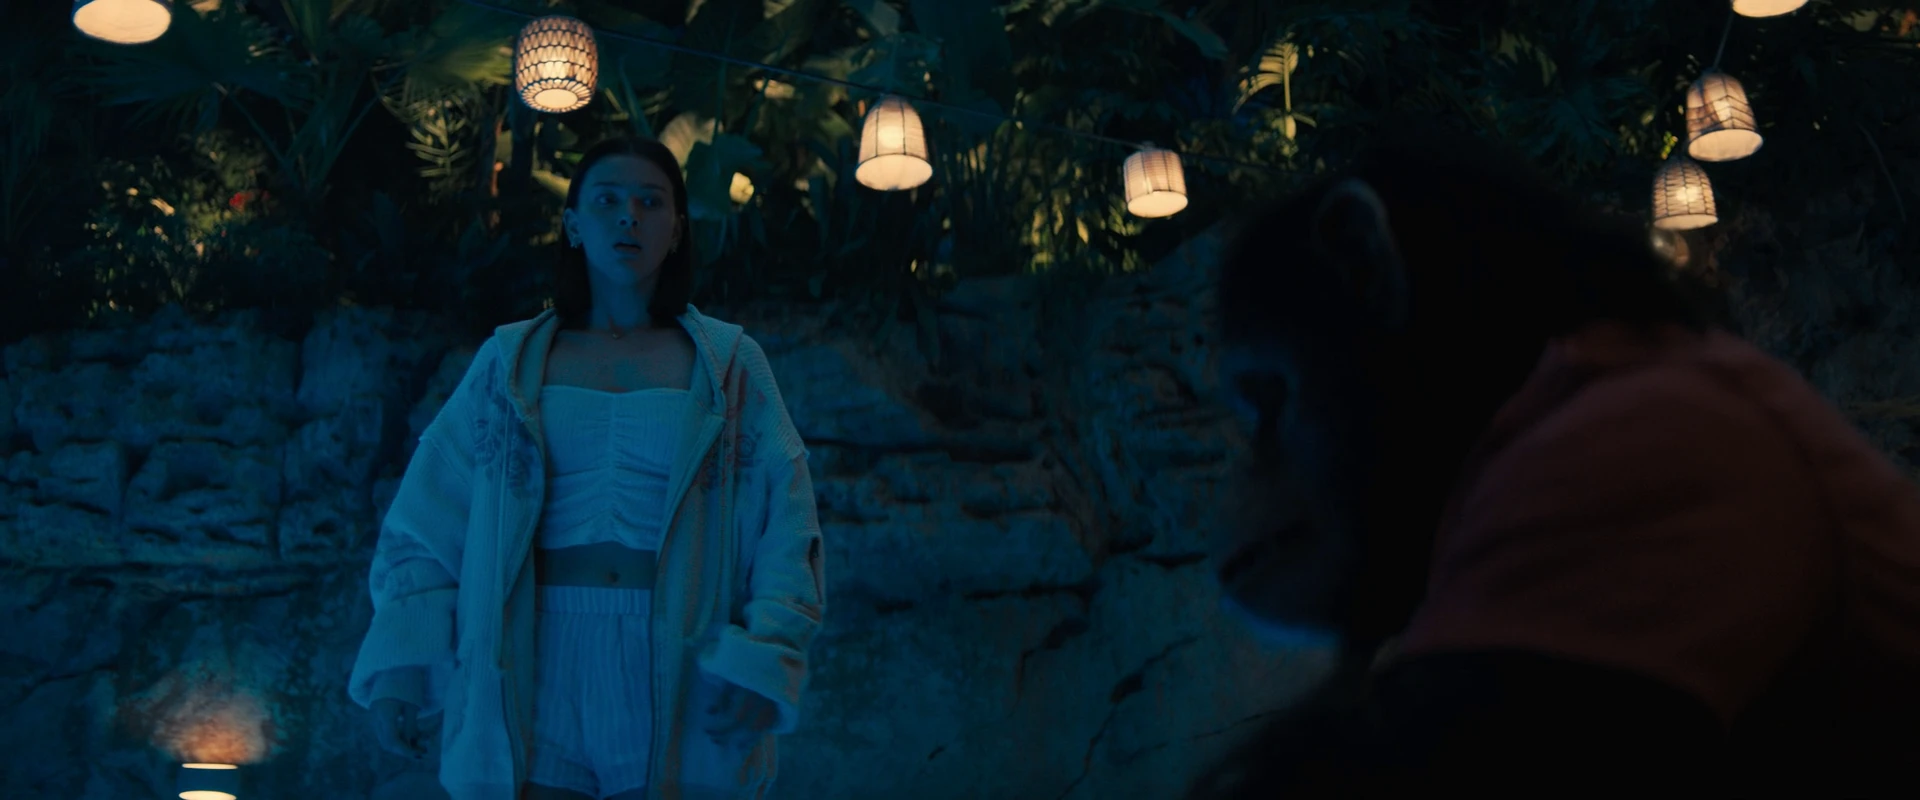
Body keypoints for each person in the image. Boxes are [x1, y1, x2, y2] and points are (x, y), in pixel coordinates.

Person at [1191, 124, 1920, 797]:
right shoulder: (1612, 415)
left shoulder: (1640, 426)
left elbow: (1460, 757)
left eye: (1271, 403)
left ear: (1365, 267)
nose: (1258, 469)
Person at [346, 137, 827, 800]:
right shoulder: (509, 362)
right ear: (573, 224)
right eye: (607, 200)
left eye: (650, 202)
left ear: (676, 228)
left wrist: (766, 652)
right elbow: (430, 518)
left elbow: (787, 522)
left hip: (677, 652)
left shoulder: (729, 365)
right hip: (533, 652)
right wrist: (403, 665)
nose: (629, 215)